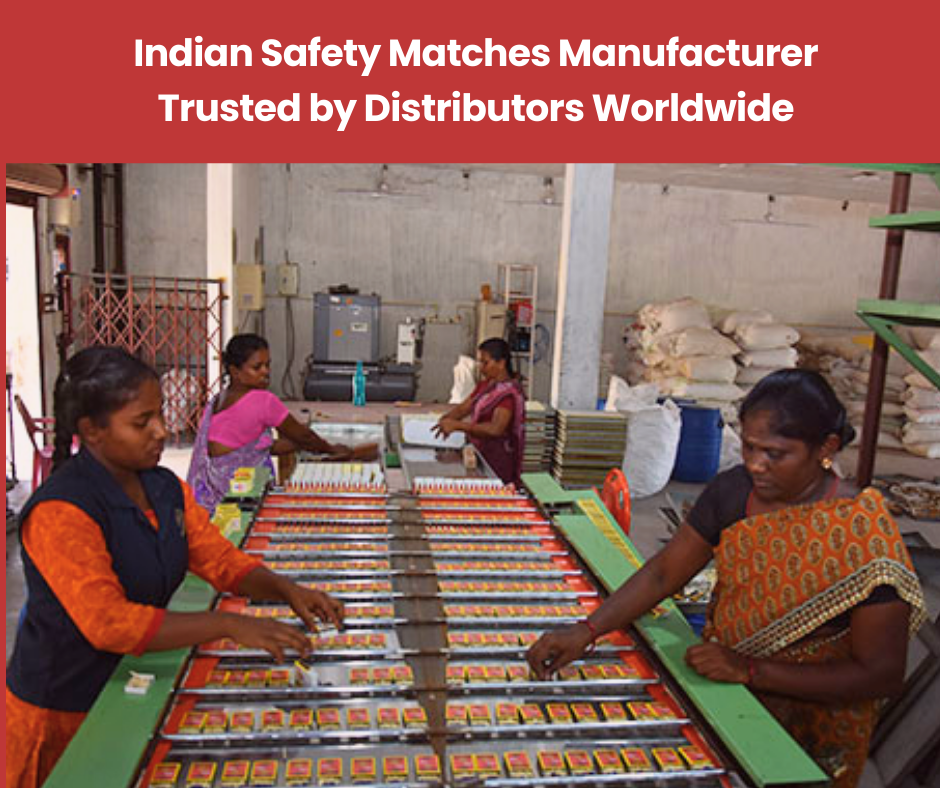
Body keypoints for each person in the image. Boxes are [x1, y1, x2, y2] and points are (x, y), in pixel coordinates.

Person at [527, 369, 926, 788]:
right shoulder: (733, 493)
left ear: (824, 448)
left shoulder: (861, 533)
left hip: (816, 724)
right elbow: (665, 572)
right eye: (750, 447)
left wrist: (752, 670)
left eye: (776, 453)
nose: (756, 465)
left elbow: (880, 673)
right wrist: (588, 629)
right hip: (725, 690)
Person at [6, 347, 345, 788]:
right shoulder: (61, 511)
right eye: (141, 422)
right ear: (92, 430)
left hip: (131, 687)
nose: (162, 431)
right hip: (61, 711)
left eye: (160, 414)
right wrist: (223, 624)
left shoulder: (162, 487)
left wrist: (286, 588)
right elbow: (110, 623)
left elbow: (218, 559)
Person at [188, 334, 377, 511]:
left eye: (267, 365)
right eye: (257, 367)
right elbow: (304, 436)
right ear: (235, 371)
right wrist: (331, 449)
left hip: (209, 499)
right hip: (236, 496)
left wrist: (305, 445)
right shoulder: (263, 401)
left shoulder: (219, 399)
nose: (266, 372)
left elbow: (255, 447)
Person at [433, 338, 526, 485]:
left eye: (485, 363)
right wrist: (444, 420)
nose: (481, 368)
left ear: (501, 363)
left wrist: (458, 426)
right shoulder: (486, 386)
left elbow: (496, 429)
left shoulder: (507, 395)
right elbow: (464, 407)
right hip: (480, 455)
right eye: (480, 362)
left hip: (497, 463)